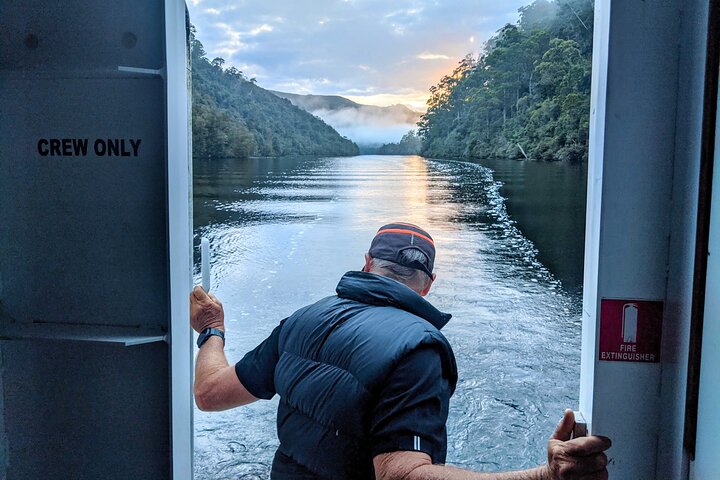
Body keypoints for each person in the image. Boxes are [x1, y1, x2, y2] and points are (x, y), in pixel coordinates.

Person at [191, 222, 611, 480]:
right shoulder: (418, 350)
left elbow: (210, 393)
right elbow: (401, 475)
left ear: (368, 262)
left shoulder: (300, 320)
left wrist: (212, 328)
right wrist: (543, 476)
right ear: (428, 283)